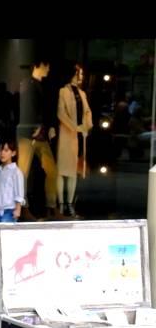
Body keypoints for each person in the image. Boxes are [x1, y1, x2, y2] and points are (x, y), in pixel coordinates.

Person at [16, 59, 60, 220]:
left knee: (51, 171)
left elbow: (45, 110)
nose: (48, 68)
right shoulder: (28, 84)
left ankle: (51, 207)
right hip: (28, 135)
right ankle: (22, 207)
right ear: (37, 66)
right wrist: (33, 128)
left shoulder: (41, 85)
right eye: (45, 65)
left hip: (39, 134)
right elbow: (25, 110)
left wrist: (48, 126)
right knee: (23, 173)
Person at [56, 63, 92, 218]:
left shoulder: (82, 94)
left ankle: (69, 203)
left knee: (72, 171)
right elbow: (60, 113)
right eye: (79, 74)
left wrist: (86, 126)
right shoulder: (63, 91)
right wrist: (74, 127)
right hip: (65, 134)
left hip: (77, 136)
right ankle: (61, 204)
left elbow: (87, 112)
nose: (81, 77)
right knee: (61, 170)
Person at [0, 137, 25, 223]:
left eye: (6, 150)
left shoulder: (16, 172)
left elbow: (19, 192)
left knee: (7, 235)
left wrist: (18, 209)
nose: (2, 153)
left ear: (13, 153)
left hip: (9, 211)